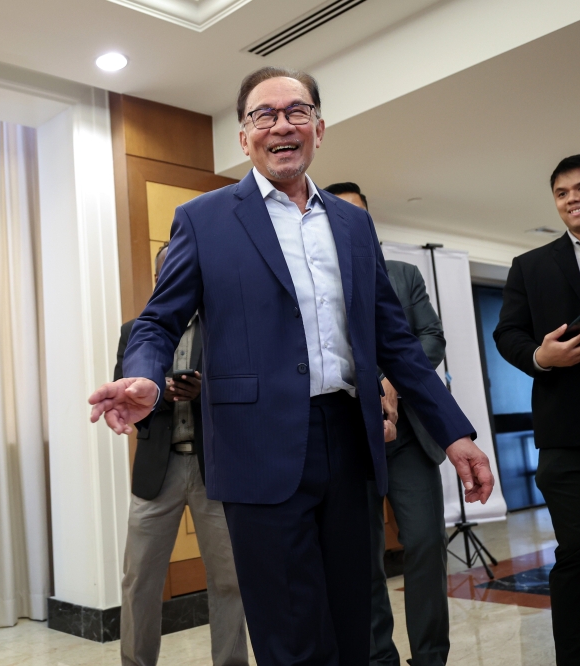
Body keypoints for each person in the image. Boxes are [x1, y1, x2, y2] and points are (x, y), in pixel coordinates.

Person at [88, 66, 494, 666]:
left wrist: (454, 431)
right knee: (288, 635)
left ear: (319, 128)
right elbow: (157, 321)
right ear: (244, 135)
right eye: (264, 115)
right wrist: (146, 376)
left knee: (357, 624)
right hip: (258, 449)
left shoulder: (354, 224)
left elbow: (394, 339)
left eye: (296, 111)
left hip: (351, 442)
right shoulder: (204, 218)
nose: (282, 124)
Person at [325, 181, 452, 666]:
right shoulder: (314, 279)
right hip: (349, 438)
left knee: (424, 542)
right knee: (363, 555)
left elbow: (431, 337)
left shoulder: (402, 273)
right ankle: (379, 657)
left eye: (358, 214)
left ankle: (430, 657)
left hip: (410, 438)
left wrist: (393, 384)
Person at [115, 243, 248, 666]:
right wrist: (165, 395)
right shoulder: (135, 330)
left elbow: (248, 393)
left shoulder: (227, 328)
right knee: (139, 581)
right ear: (159, 280)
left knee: (230, 581)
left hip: (218, 471)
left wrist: (203, 392)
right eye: (166, 272)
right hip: (158, 471)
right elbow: (125, 395)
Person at [494, 153, 580, 666]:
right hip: (570, 437)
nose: (572, 199)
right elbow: (507, 334)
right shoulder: (532, 266)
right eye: (562, 193)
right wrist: (542, 356)